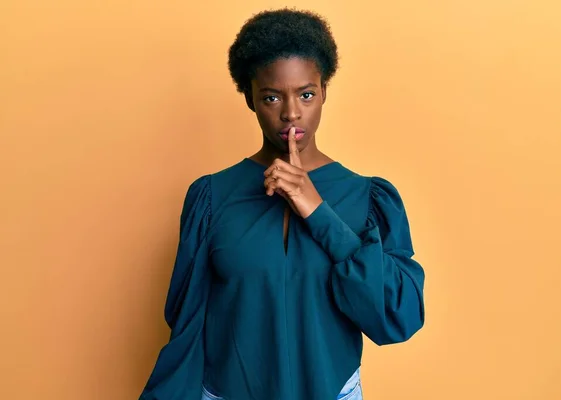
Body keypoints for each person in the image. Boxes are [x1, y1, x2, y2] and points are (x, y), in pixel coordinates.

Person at [139, 8, 425, 400]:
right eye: (272, 97)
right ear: (250, 99)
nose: (291, 113)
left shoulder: (368, 198)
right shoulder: (212, 197)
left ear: (324, 91)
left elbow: (399, 314)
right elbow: (186, 320)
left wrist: (319, 212)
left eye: (306, 94)